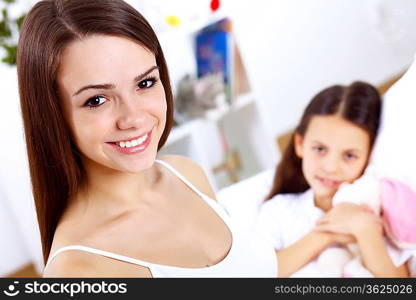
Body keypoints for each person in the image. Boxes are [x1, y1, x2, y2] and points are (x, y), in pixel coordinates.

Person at [17, 0, 277, 277]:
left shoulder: (186, 174)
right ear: (52, 115)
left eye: (145, 83)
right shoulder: (76, 271)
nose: (134, 119)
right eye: (97, 100)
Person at [256, 81, 409, 277]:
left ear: (369, 156)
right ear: (300, 143)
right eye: (320, 149)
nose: (330, 167)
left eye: (349, 156)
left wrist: (364, 229)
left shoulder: (379, 211)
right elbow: (259, 275)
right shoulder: (278, 212)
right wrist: (325, 234)